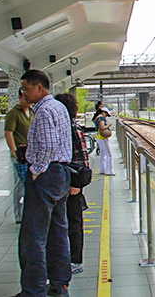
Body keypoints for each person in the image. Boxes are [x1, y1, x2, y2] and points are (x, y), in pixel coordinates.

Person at [16, 70, 72, 297]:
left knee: (33, 236)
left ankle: (33, 290)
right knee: (58, 232)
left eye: (26, 89)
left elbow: (49, 146)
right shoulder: (59, 107)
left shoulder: (43, 111)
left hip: (47, 175)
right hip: (62, 174)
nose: (24, 94)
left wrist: (37, 171)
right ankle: (59, 285)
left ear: (39, 87)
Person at [55, 94, 90, 275]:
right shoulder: (61, 128)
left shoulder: (72, 129)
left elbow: (83, 159)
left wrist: (77, 184)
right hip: (59, 184)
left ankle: (75, 261)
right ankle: (64, 259)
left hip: (71, 185)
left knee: (74, 224)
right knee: (63, 224)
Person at [4, 88, 34, 223]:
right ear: (20, 97)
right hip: (20, 155)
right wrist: (14, 151)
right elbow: (8, 133)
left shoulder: (32, 112)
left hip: (31, 153)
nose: (28, 99)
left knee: (30, 184)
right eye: (25, 96)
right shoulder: (14, 113)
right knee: (19, 185)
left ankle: (29, 212)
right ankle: (19, 215)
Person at [95, 107, 114, 176]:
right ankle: (109, 171)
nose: (106, 116)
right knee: (109, 155)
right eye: (106, 114)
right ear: (103, 112)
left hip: (99, 138)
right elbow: (102, 127)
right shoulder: (101, 118)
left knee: (102, 155)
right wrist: (108, 126)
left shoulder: (97, 118)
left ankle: (102, 170)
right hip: (103, 138)